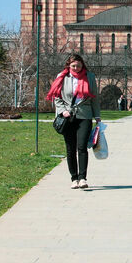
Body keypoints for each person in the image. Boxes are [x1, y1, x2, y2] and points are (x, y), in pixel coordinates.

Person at [46, 53, 101, 189]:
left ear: (82, 65)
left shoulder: (89, 77)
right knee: (70, 148)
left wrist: (97, 116)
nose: (76, 68)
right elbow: (57, 97)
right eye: (73, 66)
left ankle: (82, 178)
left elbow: (94, 97)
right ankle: (74, 178)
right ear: (68, 66)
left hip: (84, 115)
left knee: (82, 147)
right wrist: (62, 110)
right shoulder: (62, 77)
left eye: (78, 66)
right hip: (68, 116)